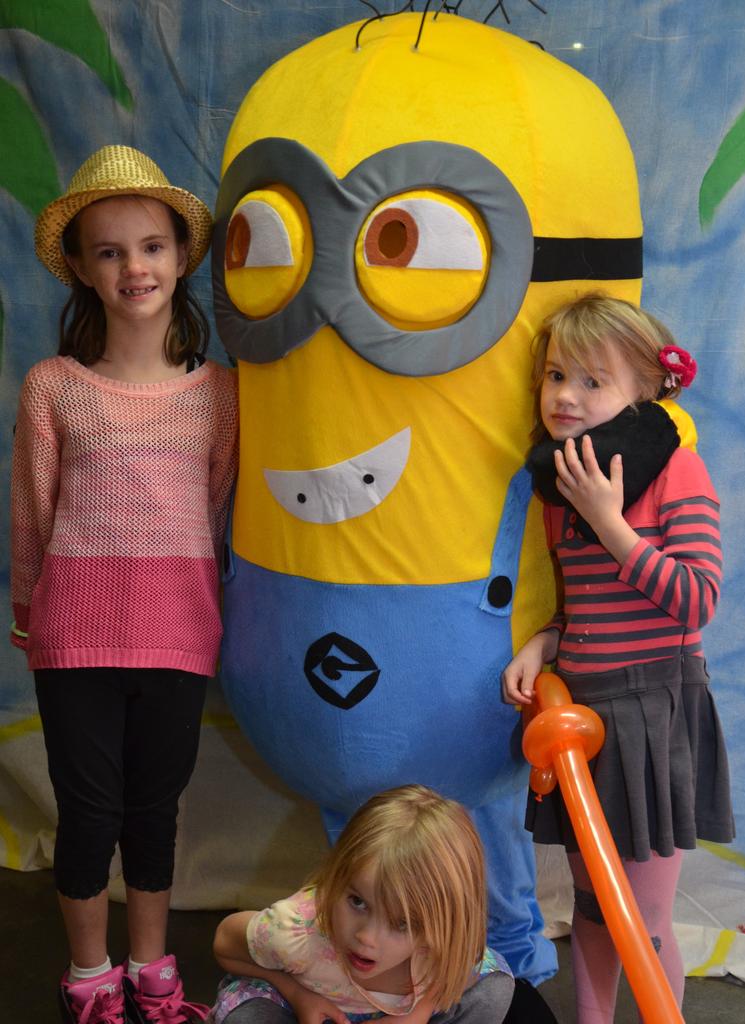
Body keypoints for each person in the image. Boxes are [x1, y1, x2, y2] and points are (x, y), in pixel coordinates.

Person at [10, 145, 239, 1024]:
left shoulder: (220, 394)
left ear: (181, 258)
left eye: (150, 247)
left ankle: (152, 972)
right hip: (75, 638)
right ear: (80, 269)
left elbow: (211, 511)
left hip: (179, 633)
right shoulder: (54, 388)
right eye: (109, 251)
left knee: (155, 812)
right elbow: (31, 518)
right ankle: (88, 979)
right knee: (87, 815)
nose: (133, 266)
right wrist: (32, 619)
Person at [502, 294, 734, 1023]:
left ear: (646, 390)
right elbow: (586, 605)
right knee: (594, 908)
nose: (565, 395)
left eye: (592, 381)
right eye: (555, 375)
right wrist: (544, 642)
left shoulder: (676, 472)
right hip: (583, 717)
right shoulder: (563, 485)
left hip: (655, 712)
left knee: (644, 914)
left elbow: (696, 600)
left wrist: (611, 523)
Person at [210, 784, 515, 1023]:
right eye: (357, 902)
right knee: (250, 1016)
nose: (366, 937)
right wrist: (297, 994)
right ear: (337, 873)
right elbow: (225, 943)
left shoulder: (445, 942)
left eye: (402, 923)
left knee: (494, 989)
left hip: (400, 1013)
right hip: (304, 1008)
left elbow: (461, 969)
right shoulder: (295, 930)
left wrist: (417, 1013)